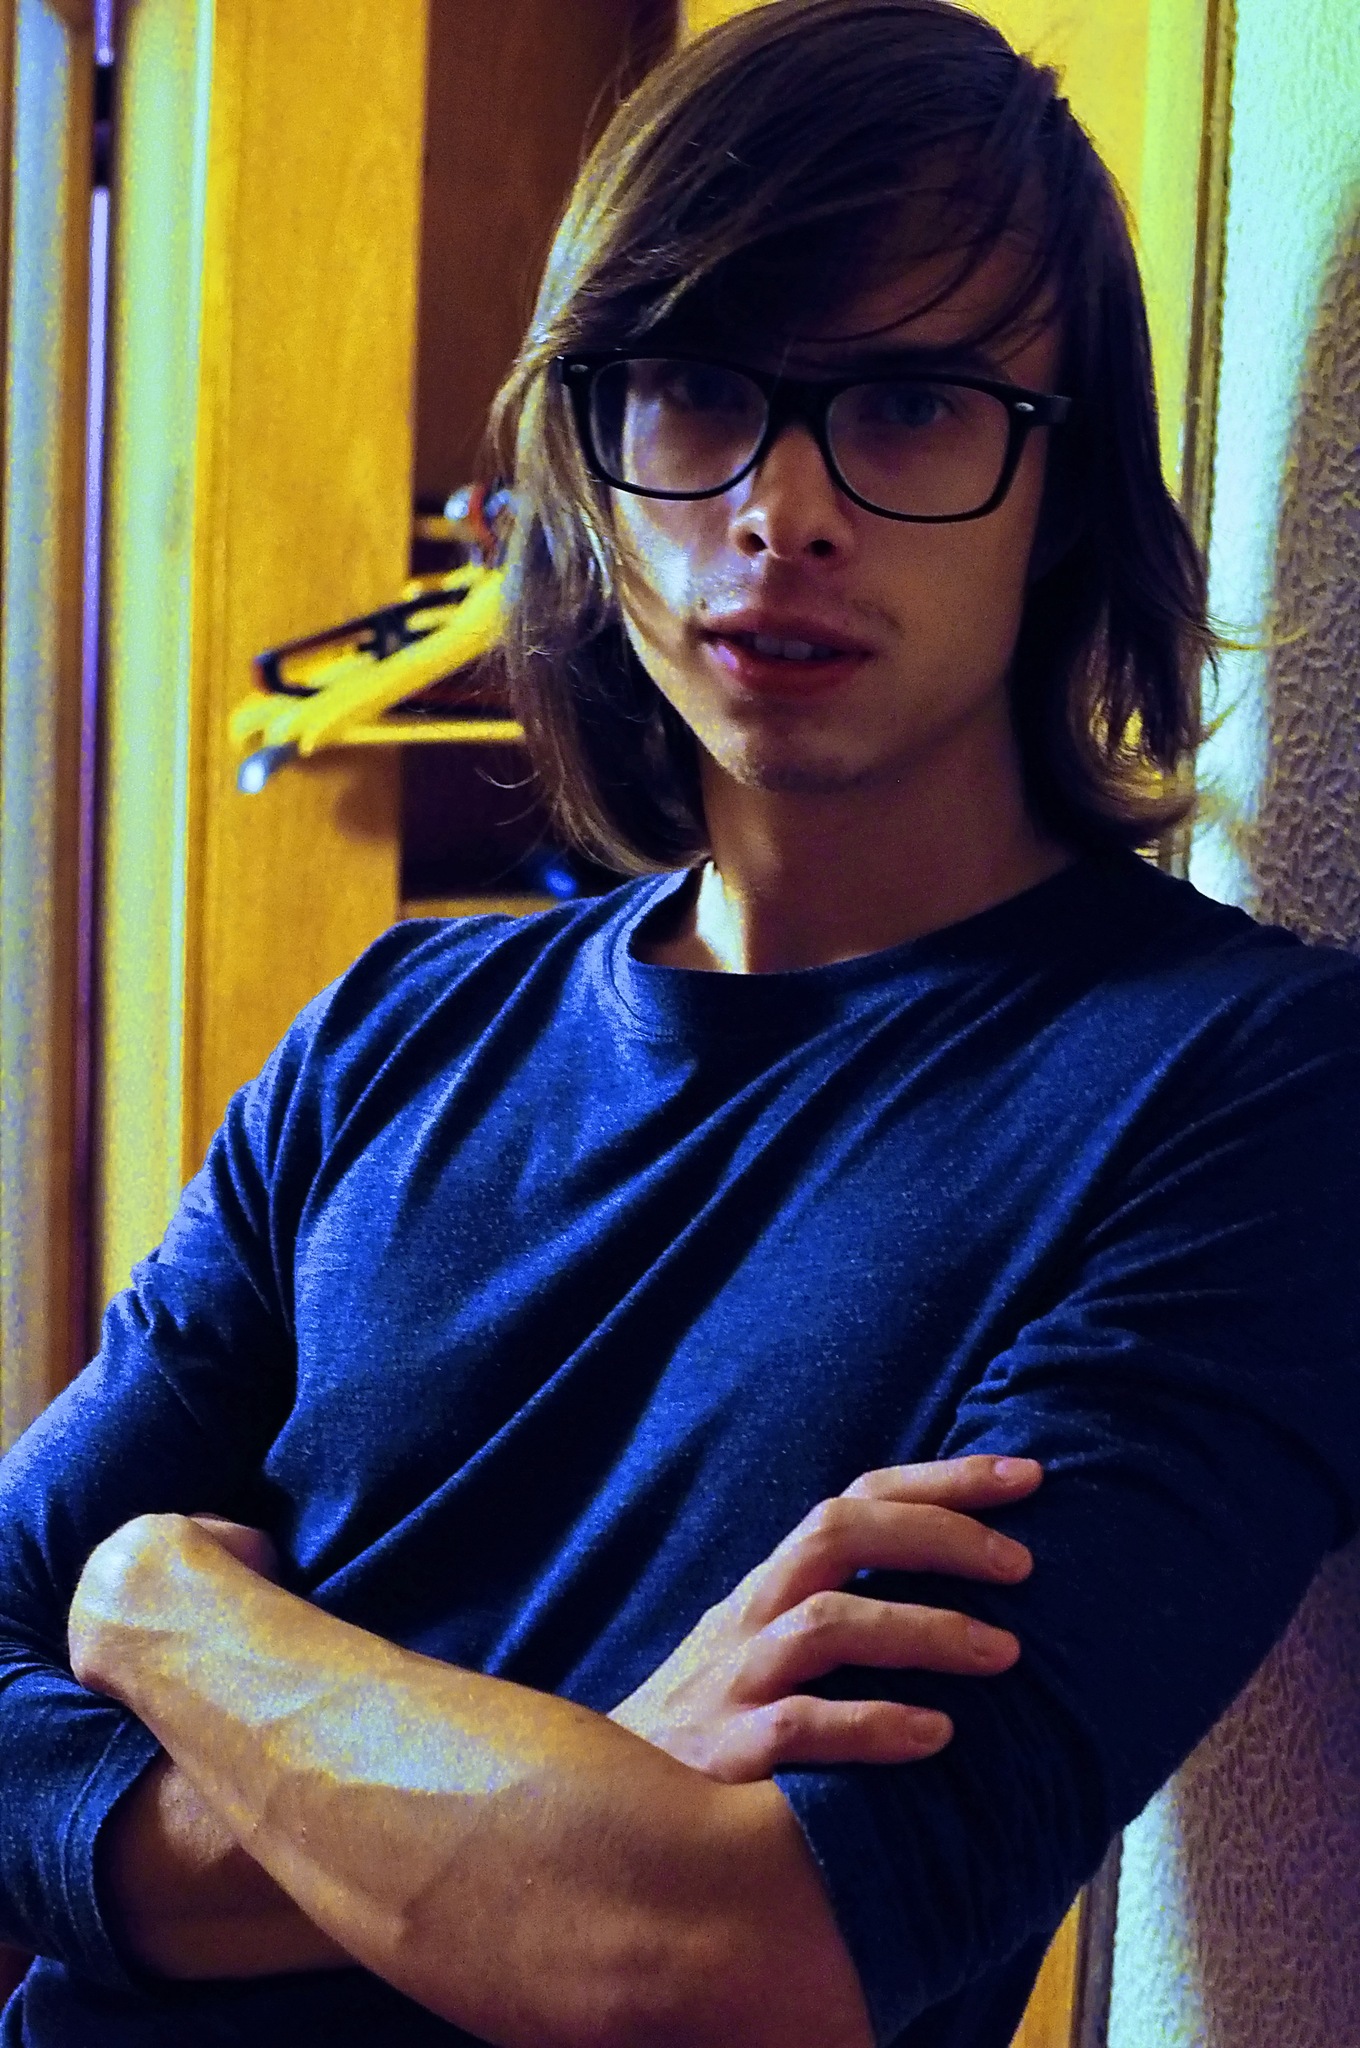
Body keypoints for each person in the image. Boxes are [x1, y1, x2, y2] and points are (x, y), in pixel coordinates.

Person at [3, 2, 1359, 2043]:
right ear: (591, 450)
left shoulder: (1247, 1096)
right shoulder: (390, 1028)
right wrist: (575, 1787)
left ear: (1064, 487)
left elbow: (716, 1950)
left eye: (908, 405)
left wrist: (164, 1612)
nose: (781, 510)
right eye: (699, 390)